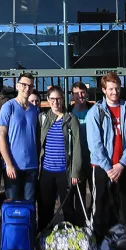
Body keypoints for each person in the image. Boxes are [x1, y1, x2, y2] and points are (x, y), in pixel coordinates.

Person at [86, 71, 126, 245]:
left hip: (122, 167)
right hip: (102, 169)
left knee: (124, 207)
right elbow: (95, 144)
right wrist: (109, 168)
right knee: (100, 207)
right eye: (111, 89)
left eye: (117, 88)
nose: (114, 92)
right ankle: (99, 243)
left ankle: (125, 243)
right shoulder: (96, 112)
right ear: (104, 90)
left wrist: (121, 164)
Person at [37, 86, 85, 227]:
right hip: (46, 171)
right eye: (52, 98)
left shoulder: (71, 119)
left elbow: (77, 147)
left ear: (63, 100)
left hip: (65, 172)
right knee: (45, 209)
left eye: (58, 98)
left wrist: (75, 171)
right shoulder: (43, 118)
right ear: (48, 100)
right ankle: (44, 240)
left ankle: (69, 241)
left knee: (68, 209)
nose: (56, 102)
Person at [0, 74, 41, 201]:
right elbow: (1, 137)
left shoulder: (34, 110)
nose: (27, 88)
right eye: (24, 85)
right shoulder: (8, 107)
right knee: (14, 206)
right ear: (17, 86)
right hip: (13, 167)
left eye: (30, 86)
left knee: (30, 207)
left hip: (31, 167)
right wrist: (8, 164)